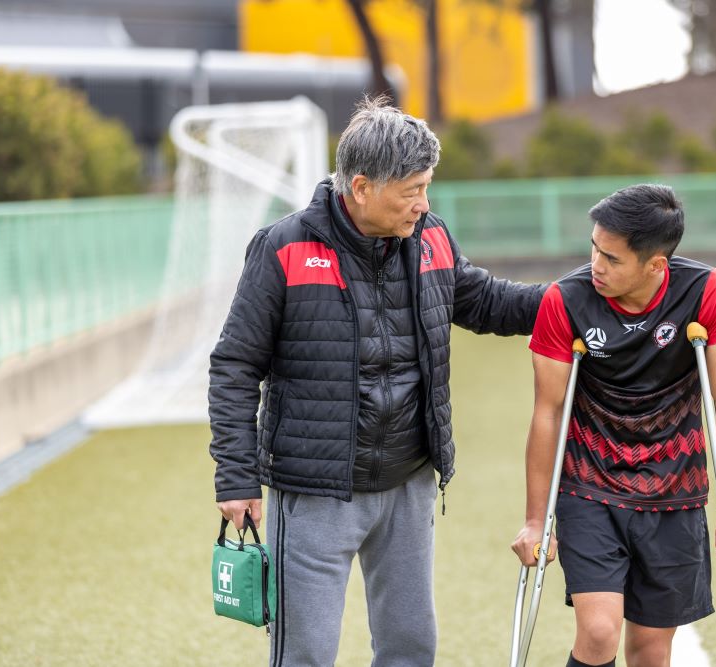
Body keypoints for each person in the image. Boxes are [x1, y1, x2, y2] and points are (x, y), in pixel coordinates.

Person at [208, 96, 544, 666]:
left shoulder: (431, 236)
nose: (424, 203)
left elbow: (486, 302)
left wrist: (571, 301)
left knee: (411, 646)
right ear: (361, 187)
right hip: (316, 492)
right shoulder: (283, 248)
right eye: (412, 190)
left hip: (409, 483)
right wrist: (236, 477)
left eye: (426, 187)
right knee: (306, 653)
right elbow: (235, 366)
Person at [511, 184, 716, 667]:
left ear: (655, 265)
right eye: (594, 249)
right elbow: (549, 412)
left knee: (649, 650)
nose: (596, 266)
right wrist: (536, 521)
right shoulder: (566, 300)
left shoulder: (710, 294)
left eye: (612, 259)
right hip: (590, 486)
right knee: (600, 632)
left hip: (675, 487)